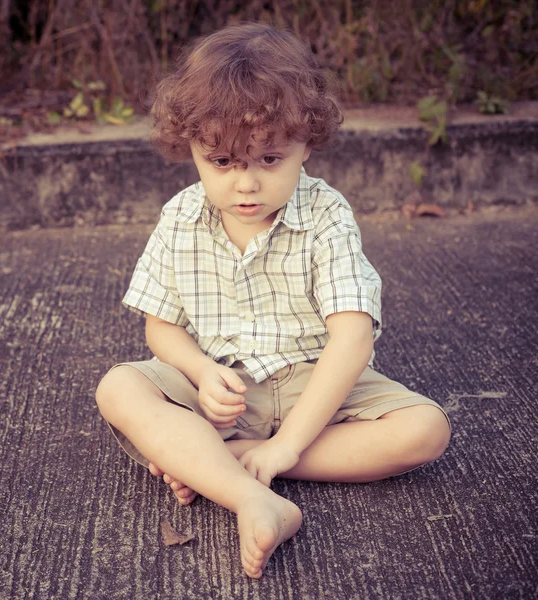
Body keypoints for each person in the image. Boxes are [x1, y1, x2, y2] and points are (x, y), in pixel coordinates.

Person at [95, 22, 451, 579]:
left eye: (268, 160)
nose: (246, 185)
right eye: (223, 162)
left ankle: (223, 467)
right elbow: (159, 327)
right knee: (120, 386)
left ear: (306, 144)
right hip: (223, 390)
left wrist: (286, 445)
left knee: (426, 430)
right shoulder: (181, 218)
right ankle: (255, 498)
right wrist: (200, 369)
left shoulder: (326, 216)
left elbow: (352, 337)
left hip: (317, 386)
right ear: (190, 147)